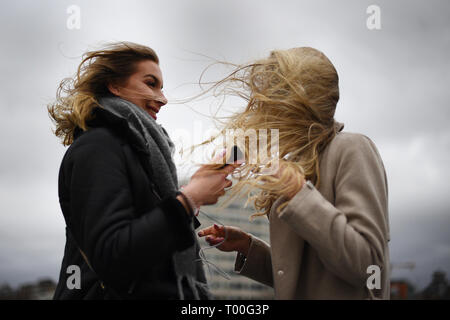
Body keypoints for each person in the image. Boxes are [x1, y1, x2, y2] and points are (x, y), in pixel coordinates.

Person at [48, 42, 238, 299]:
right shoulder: (98, 146)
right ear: (114, 86)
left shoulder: (137, 151)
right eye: (151, 84)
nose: (163, 98)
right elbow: (113, 255)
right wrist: (188, 199)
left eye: (162, 87)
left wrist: (195, 193)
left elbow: (146, 235)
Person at [198, 47, 390, 299]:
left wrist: (297, 194)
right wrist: (248, 247)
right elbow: (307, 277)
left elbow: (367, 265)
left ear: (301, 99)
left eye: (277, 93)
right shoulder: (299, 164)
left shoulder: (352, 148)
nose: (265, 105)